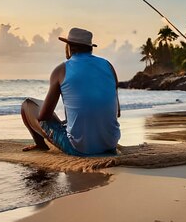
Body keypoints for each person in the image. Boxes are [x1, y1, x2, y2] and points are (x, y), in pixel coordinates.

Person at [21, 27, 121, 156]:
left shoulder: (61, 70)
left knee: (27, 105)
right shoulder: (108, 65)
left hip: (80, 149)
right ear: (90, 47)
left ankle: (40, 145)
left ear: (69, 47)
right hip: (110, 145)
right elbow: (116, 112)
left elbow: (44, 117)